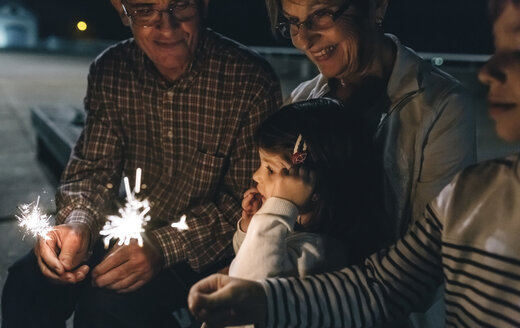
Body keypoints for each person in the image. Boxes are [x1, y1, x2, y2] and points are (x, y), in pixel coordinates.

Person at [186, 0, 520, 326]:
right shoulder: (304, 100)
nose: (303, 38)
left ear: (376, 7)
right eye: (293, 22)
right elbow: (381, 284)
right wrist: (256, 274)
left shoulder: (440, 107)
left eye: (322, 14)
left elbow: (413, 275)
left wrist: (268, 275)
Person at [1, 0, 281, 327]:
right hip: (125, 228)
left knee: (106, 308)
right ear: (122, 10)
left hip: (204, 251)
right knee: (28, 281)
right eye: (145, 9)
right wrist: (79, 224)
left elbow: (246, 202)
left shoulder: (249, 81)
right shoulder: (112, 69)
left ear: (204, 4)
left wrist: (161, 247)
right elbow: (91, 170)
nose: (166, 26)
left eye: (180, 6)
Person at [230, 98, 386, 282]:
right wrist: (249, 228)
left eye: (270, 169)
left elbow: (247, 279)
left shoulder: (319, 253)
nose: (256, 176)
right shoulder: (291, 222)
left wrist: (274, 213)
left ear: (315, 188)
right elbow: (245, 257)